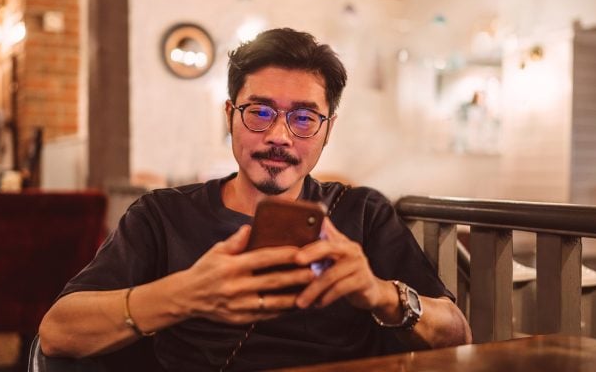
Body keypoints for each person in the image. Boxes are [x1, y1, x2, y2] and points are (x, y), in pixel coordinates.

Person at [39, 28, 471, 371]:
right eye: (260, 112)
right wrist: (185, 294)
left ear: (327, 130)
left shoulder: (362, 213)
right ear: (230, 116)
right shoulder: (163, 215)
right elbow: (58, 332)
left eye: (303, 118)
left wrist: (380, 294)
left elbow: (458, 335)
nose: (279, 136)